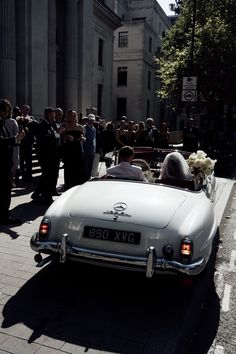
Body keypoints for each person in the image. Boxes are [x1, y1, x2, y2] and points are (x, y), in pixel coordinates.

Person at [0, 99, 25, 225]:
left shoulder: (2, 122)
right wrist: (15, 139)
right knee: (5, 191)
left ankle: (4, 214)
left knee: (5, 190)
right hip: (2, 164)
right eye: (6, 111)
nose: (7, 114)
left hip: (6, 161)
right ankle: (4, 216)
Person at [32, 107, 62, 204]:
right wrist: (56, 133)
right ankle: (47, 197)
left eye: (54, 116)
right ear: (46, 115)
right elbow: (43, 139)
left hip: (53, 153)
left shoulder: (52, 124)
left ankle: (37, 193)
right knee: (47, 175)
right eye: (52, 115)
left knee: (48, 175)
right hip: (44, 154)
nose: (53, 117)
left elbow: (55, 138)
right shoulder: (41, 125)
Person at [62, 110, 85, 190]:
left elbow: (83, 137)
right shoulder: (65, 126)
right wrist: (67, 138)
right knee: (69, 169)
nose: (73, 117)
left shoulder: (80, 127)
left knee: (78, 169)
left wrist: (82, 139)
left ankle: (77, 188)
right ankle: (68, 187)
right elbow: (63, 139)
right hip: (68, 149)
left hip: (77, 149)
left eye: (74, 115)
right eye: (71, 115)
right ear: (68, 116)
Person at [83, 114, 96, 181]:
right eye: (91, 120)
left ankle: (88, 177)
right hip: (85, 150)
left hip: (91, 150)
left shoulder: (94, 129)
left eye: (93, 120)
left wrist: (94, 149)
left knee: (90, 165)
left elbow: (94, 140)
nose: (92, 121)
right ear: (88, 120)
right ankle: (84, 178)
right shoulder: (84, 128)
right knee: (85, 165)